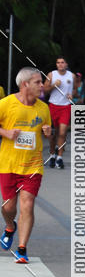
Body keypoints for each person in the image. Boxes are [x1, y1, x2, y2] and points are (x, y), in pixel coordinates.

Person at [0, 68, 52, 263]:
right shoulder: (6, 104)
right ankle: (9, 227)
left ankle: (22, 249)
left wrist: (48, 132)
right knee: (8, 207)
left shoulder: (43, 108)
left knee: (27, 204)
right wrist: (5, 133)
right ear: (25, 85)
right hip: (8, 164)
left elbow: (47, 130)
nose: (42, 86)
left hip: (33, 165)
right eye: (38, 82)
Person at [44, 56, 74, 169]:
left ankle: (59, 158)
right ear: (56, 65)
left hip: (65, 106)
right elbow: (44, 90)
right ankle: (52, 155)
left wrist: (73, 95)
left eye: (62, 62)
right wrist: (54, 85)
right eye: (58, 63)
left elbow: (75, 90)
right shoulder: (51, 75)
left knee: (62, 133)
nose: (60, 64)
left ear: (66, 64)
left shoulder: (71, 76)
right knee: (53, 134)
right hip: (53, 106)